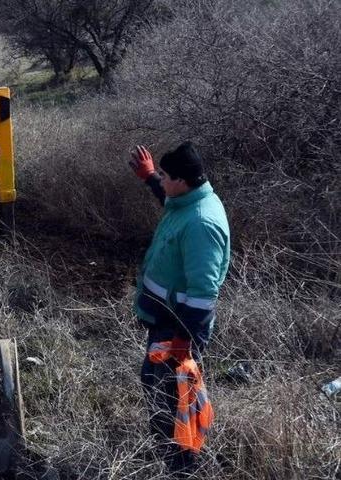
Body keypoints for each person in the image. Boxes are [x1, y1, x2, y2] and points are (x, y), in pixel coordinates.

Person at [128, 142, 231, 475]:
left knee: (174, 404)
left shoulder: (202, 223)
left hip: (177, 333)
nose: (162, 180)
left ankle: (181, 467)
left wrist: (183, 346)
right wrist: (149, 178)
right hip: (164, 324)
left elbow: (203, 295)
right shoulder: (188, 202)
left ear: (183, 181)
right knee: (156, 391)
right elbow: (171, 201)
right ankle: (167, 455)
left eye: (165, 176)